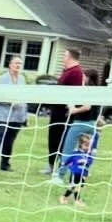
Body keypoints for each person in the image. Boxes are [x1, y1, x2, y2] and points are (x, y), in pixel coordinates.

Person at [47, 48, 90, 181]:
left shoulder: (76, 72)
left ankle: (60, 168)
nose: (63, 57)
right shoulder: (66, 71)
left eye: (65, 55)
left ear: (70, 57)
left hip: (64, 113)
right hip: (56, 110)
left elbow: (75, 93)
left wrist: (71, 107)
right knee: (53, 137)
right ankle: (51, 164)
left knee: (61, 139)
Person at [0, 55, 29, 170]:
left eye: (20, 63)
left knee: (9, 141)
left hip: (16, 117)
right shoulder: (3, 78)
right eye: (16, 63)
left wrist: (24, 117)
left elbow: (24, 99)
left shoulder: (22, 79)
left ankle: (5, 164)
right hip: (0, 115)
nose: (18, 65)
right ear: (10, 65)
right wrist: (9, 101)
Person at [59, 131, 96, 204]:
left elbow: (90, 161)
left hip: (83, 174)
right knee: (73, 187)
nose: (88, 147)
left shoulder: (88, 154)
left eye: (89, 145)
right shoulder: (76, 153)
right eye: (86, 145)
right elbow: (69, 160)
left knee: (79, 187)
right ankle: (68, 198)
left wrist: (86, 161)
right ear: (80, 145)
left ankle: (73, 199)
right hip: (75, 172)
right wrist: (64, 164)